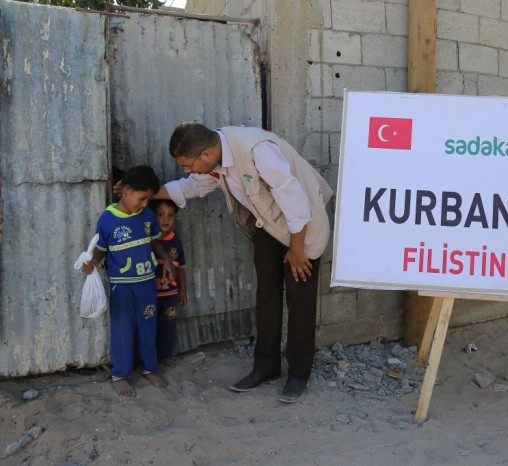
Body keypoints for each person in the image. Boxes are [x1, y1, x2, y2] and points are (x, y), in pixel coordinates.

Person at [157, 121, 333, 403]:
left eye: (188, 165)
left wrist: (297, 250)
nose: (188, 171)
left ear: (205, 154)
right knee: (267, 297)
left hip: (302, 227)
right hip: (268, 226)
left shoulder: (257, 151)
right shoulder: (215, 158)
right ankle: (266, 367)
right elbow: (192, 187)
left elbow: (294, 199)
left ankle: (299, 374)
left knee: (300, 300)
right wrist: (149, 194)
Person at [83, 165, 176, 397]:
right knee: (123, 330)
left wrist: (167, 260)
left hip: (146, 284)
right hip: (121, 286)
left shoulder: (147, 216)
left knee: (148, 327)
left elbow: (154, 242)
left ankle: (149, 368)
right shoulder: (107, 220)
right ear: (125, 192)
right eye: (142, 198)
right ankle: (120, 374)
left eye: (149, 200)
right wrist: (92, 262)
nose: (145, 204)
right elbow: (101, 248)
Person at [150, 199, 187, 363]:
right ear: (153, 216)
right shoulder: (149, 241)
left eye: (170, 216)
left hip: (170, 294)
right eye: (161, 215)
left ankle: (165, 355)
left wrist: (183, 291)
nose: (165, 220)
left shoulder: (175, 242)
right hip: (151, 294)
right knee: (151, 325)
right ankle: (151, 357)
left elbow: (181, 268)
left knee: (168, 325)